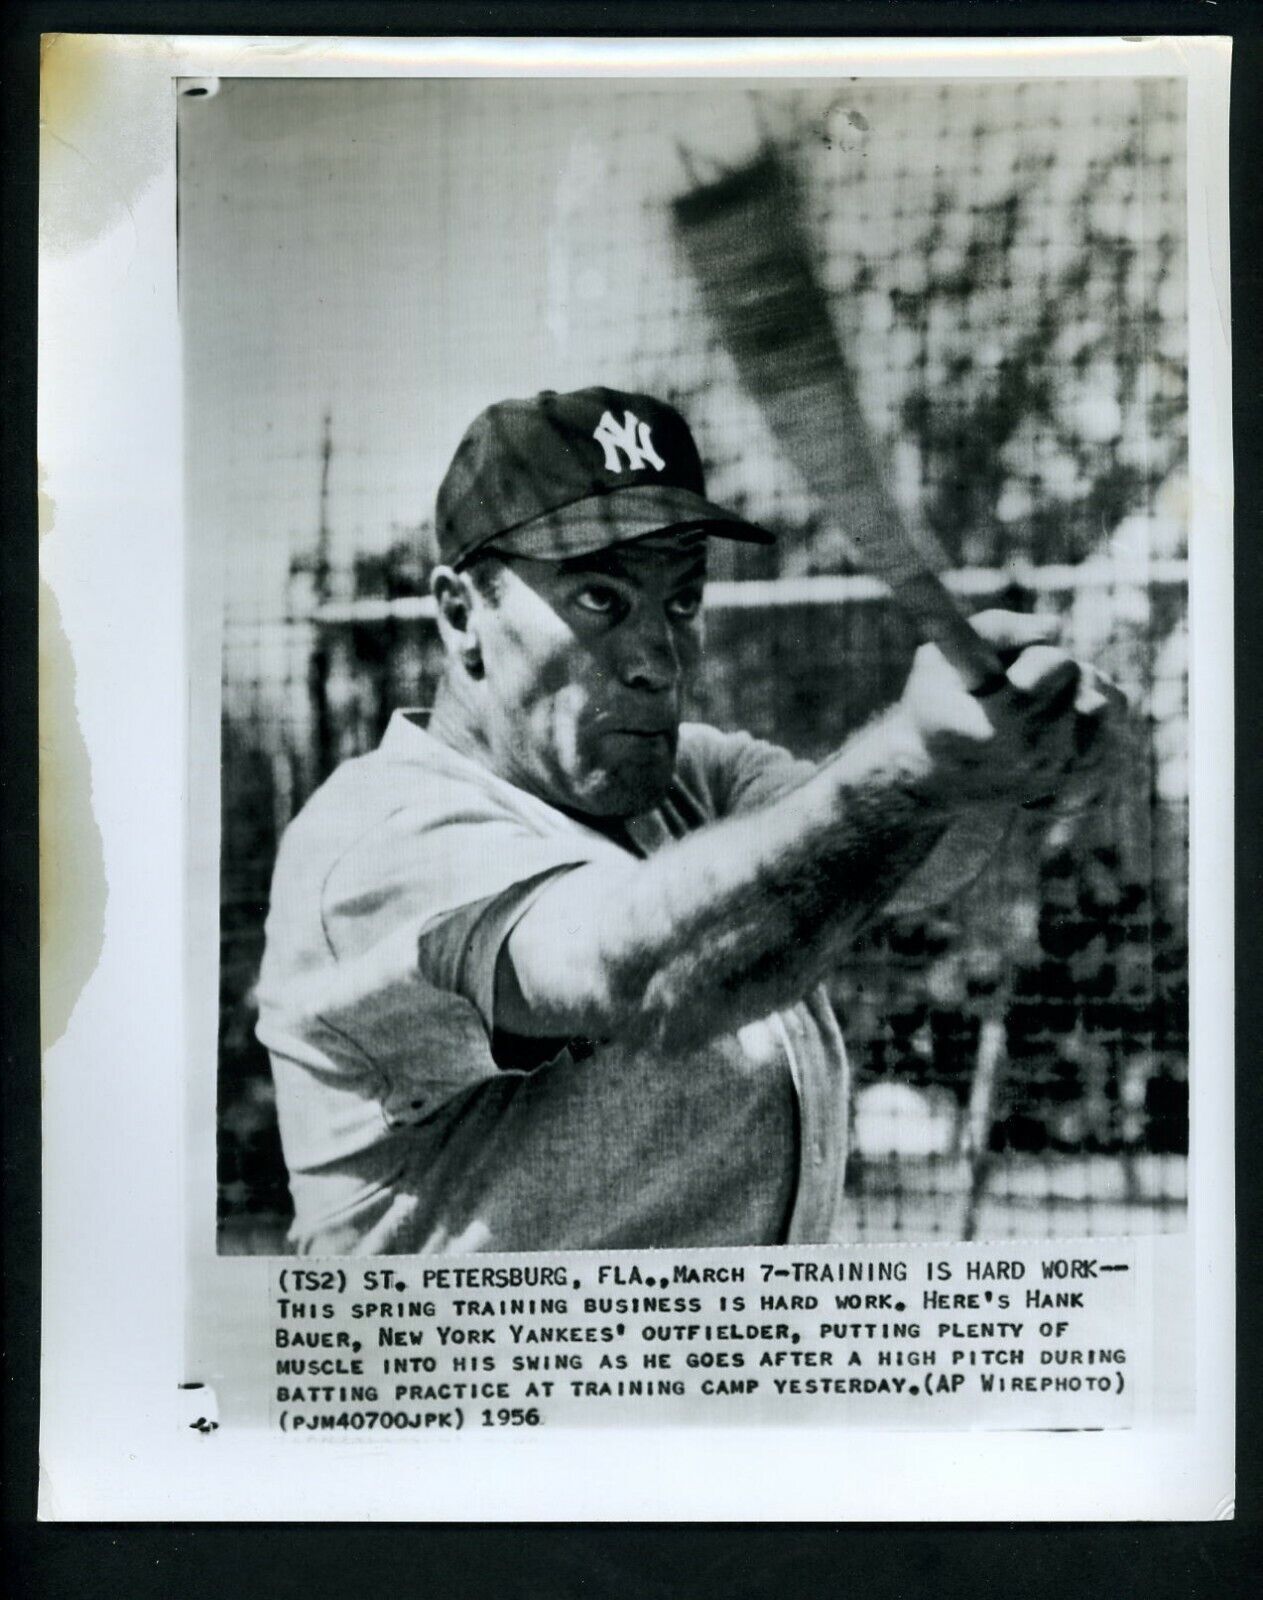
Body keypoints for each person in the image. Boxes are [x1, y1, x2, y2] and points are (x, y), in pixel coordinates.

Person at [256, 385, 1119, 1256]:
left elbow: (900, 855)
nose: (656, 659)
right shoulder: (376, 836)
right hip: (485, 1389)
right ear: (459, 616)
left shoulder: (688, 780)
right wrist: (912, 765)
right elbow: (649, 977)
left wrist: (1002, 766)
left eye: (680, 600)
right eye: (599, 598)